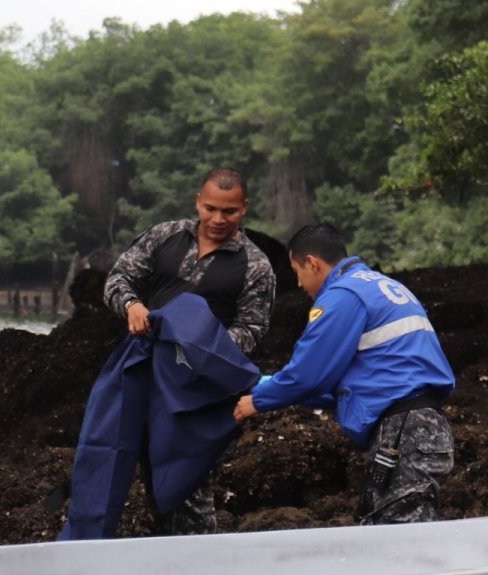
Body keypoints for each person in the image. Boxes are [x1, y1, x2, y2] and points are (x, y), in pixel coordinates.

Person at [234, 224, 455, 524]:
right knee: (389, 526)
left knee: (403, 539)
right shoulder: (381, 285)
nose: (298, 283)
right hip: (422, 426)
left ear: (312, 263)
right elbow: (346, 381)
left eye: (297, 271)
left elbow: (308, 374)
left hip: (403, 431)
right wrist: (279, 387)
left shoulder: (343, 295)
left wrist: (258, 399)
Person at [98, 167, 275, 535]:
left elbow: (253, 329)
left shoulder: (255, 266)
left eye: (228, 211)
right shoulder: (165, 236)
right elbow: (118, 279)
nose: (217, 219)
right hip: (145, 376)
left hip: (197, 393)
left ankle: (203, 572)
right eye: (210, 208)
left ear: (244, 208)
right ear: (198, 201)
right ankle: (160, 563)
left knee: (188, 481)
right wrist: (131, 305)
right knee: (139, 470)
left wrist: (199, 346)